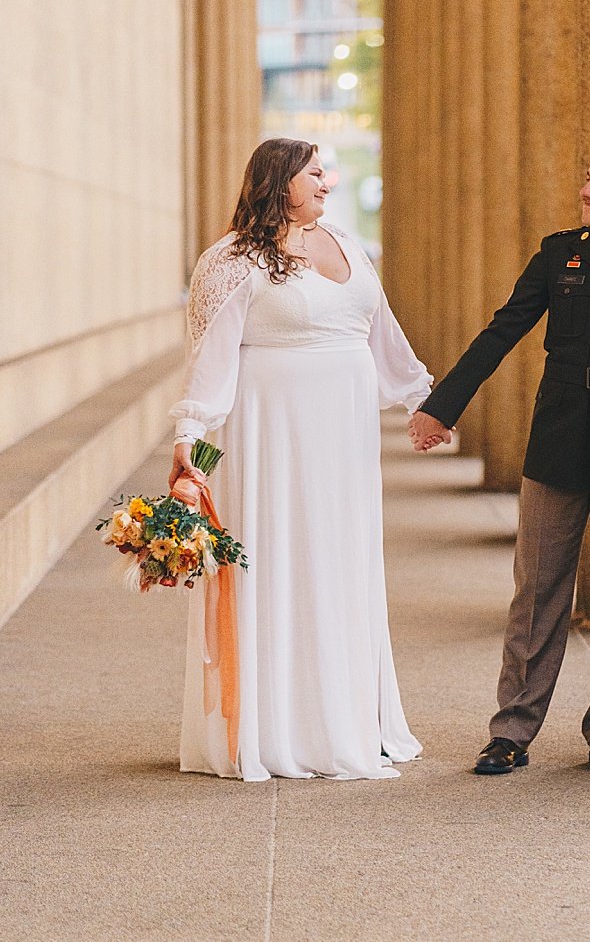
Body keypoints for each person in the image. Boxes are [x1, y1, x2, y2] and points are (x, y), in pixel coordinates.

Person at [409, 140, 590, 776]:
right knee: (535, 595)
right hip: (556, 446)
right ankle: (511, 732)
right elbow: (503, 330)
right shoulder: (560, 253)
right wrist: (441, 406)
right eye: (589, 179)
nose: (585, 190)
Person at [169, 138, 432, 781]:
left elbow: (382, 333)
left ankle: (345, 720)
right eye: (316, 172)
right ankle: (273, 726)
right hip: (270, 437)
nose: (328, 182)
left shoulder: (347, 243)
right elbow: (211, 369)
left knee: (342, 561)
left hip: (344, 441)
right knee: (279, 561)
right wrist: (190, 446)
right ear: (281, 179)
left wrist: (424, 401)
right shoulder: (231, 260)